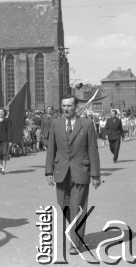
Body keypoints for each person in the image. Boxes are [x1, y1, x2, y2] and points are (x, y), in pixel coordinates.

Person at [45, 96, 101, 255]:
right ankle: (75, 231)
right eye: (63, 105)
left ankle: (75, 242)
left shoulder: (87, 124)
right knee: (64, 205)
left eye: (69, 105)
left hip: (80, 171)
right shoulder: (56, 124)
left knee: (77, 207)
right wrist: (49, 171)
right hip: (61, 171)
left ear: (76, 106)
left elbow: (93, 150)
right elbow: (51, 149)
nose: (66, 108)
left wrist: (95, 175)